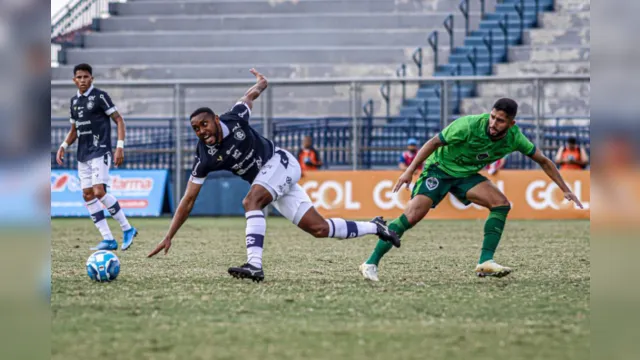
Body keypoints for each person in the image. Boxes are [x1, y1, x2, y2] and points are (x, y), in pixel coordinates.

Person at [147, 69, 400, 282]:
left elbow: (248, 97)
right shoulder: (205, 156)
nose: (201, 131)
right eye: (195, 129)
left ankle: (254, 265)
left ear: (215, 119)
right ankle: (375, 226)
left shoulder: (234, 119)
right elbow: (188, 199)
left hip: (281, 163)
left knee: (251, 201)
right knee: (319, 229)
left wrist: (261, 84)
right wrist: (169, 235)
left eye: (204, 124)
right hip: (269, 180)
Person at [359, 98, 583, 281]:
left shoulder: (514, 138)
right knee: (411, 217)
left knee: (501, 204)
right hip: (440, 169)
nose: (494, 123)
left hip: (465, 175)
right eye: (493, 117)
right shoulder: (468, 125)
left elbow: (543, 160)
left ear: (511, 124)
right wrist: (409, 171)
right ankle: (370, 263)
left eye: (501, 121)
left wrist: (565, 188)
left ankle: (485, 262)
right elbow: (433, 142)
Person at [56, 63, 138, 251]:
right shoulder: (74, 102)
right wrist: (63, 145)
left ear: (91, 78)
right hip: (83, 154)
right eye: (79, 77)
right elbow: (74, 129)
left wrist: (120, 146)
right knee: (87, 195)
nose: (83, 80)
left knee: (99, 191)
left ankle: (128, 228)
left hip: (100, 149)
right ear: (74, 80)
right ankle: (108, 239)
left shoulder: (100, 96)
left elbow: (119, 120)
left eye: (86, 77)